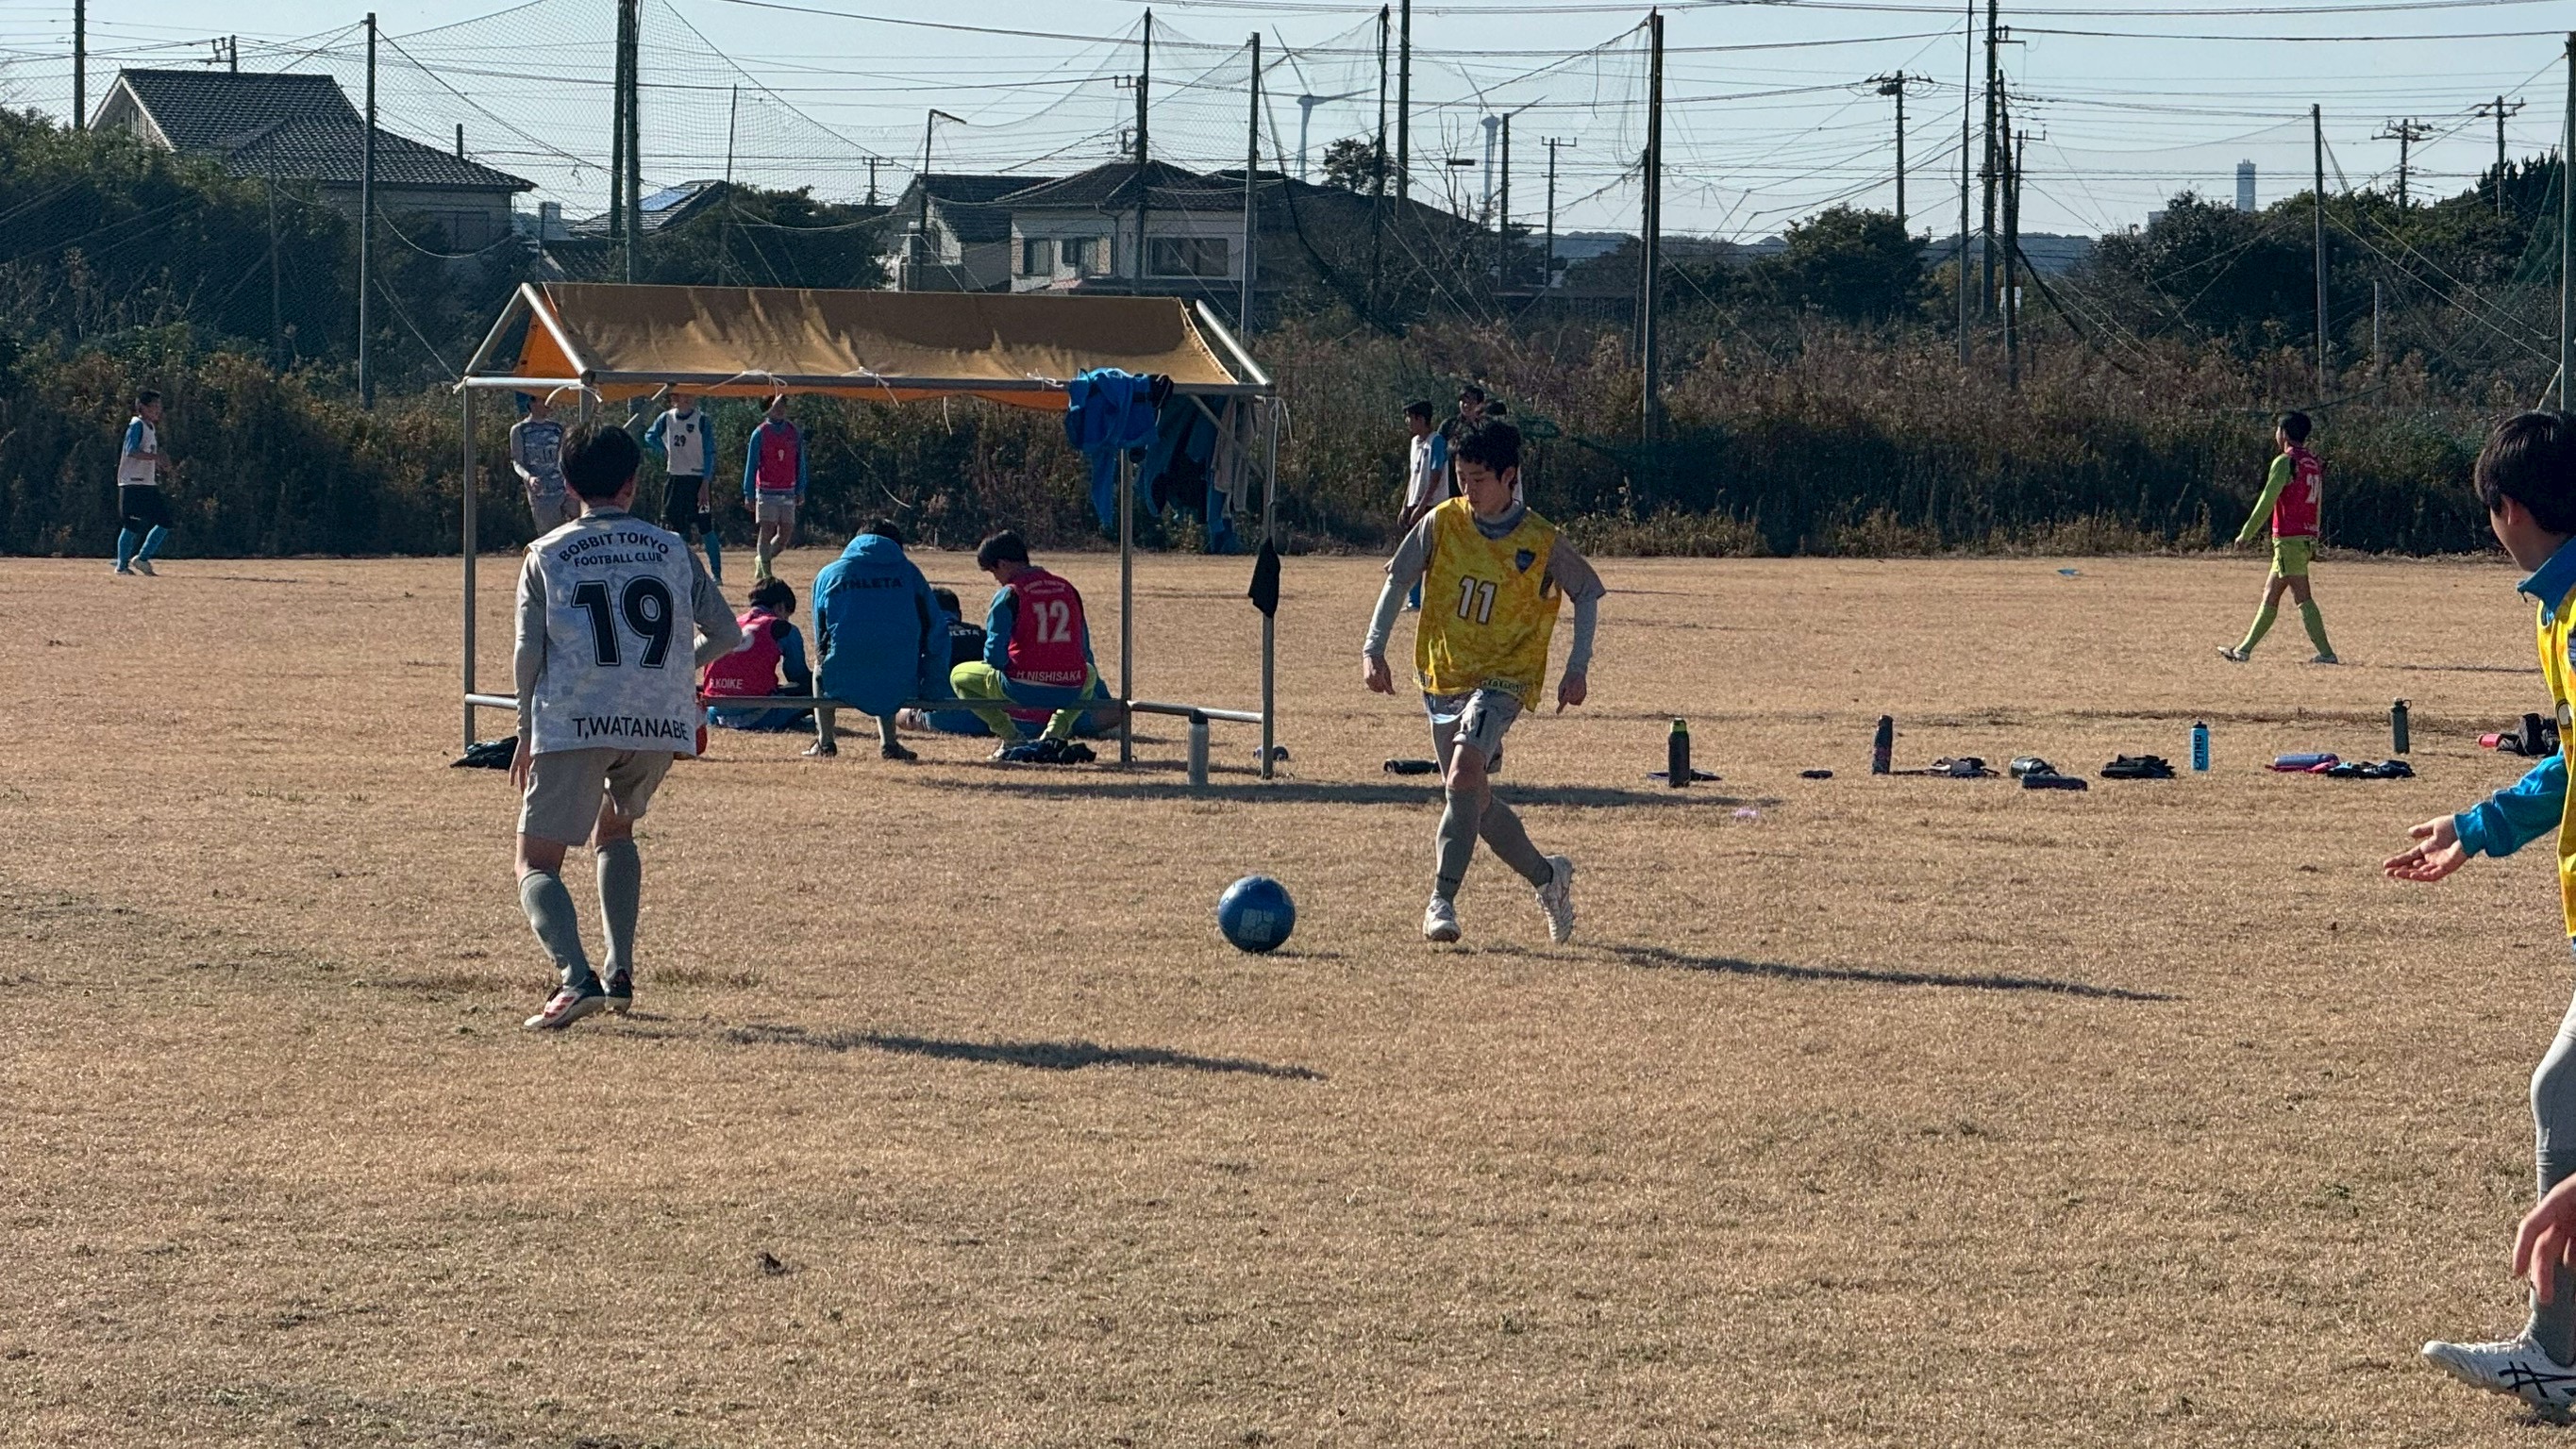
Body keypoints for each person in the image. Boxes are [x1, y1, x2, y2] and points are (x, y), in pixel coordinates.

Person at [2387, 409, 2576, 1411]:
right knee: (2562, 1094)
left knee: (2564, 1097)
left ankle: (2557, 1353)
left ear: (2508, 509)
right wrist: (2478, 824)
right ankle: (2559, 1350)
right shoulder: (2559, 608)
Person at [510, 425, 741, 1031]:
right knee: (616, 832)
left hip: (577, 718)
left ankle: (575, 978)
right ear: (634, 483)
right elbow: (727, 633)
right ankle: (619, 973)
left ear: (567, 483)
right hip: (657, 722)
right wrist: (673, 669)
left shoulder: (547, 552)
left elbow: (528, 652)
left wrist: (525, 727)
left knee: (535, 861)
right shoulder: (671, 547)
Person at [1363, 417, 1602, 946]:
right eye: (1461, 478)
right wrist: (1372, 648)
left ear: (1510, 476)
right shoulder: (1443, 522)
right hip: (1444, 673)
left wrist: (1577, 666)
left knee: (1462, 775)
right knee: (1475, 800)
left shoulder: (1540, 539)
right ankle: (1549, 877)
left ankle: (1440, 902)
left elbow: (1587, 592)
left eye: (1478, 479)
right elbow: (1398, 579)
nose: (1467, 490)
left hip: (1505, 677)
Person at [952, 529, 1112, 757]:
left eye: (993, 571)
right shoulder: (1067, 588)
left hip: (1020, 687)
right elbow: (1082, 648)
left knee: (959, 675)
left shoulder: (1009, 594)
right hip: (1069, 686)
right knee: (1089, 673)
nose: (996, 579)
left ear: (1003, 564)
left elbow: (995, 657)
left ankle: (1010, 736)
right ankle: (1054, 733)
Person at [808, 520, 944, 761]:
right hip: (901, 677)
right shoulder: (909, 573)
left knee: (821, 666)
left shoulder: (828, 574)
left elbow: (820, 636)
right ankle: (889, 743)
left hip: (842, 677)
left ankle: (825, 741)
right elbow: (935, 629)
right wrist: (933, 686)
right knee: (888, 649)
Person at [2220, 410, 2336, 664]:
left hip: (2289, 539)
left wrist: (2246, 533)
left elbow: (2267, 499)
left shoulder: (2286, 462)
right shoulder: (2312, 463)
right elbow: (2317, 503)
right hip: (2303, 537)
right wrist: (2314, 536)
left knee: (2302, 597)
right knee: (2270, 594)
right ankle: (2243, 650)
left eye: (2277, 429)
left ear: (2283, 433)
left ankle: (2327, 654)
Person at [701, 577, 813, 733]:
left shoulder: (731, 624)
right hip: (757, 712)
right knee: (816, 688)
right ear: (781, 607)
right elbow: (797, 674)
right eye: (787, 614)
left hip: (715, 709)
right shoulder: (782, 628)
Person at [644, 391, 723, 584]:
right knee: (674, 526)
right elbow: (649, 436)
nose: (687, 399)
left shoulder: (702, 420)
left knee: (706, 527)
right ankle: (678, 571)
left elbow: (709, 452)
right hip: (676, 479)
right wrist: (664, 450)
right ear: (674, 399)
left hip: (698, 481)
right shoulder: (666, 418)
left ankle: (717, 574)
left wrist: (705, 482)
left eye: (690, 395)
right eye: (682, 395)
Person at [742, 393, 807, 582]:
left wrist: (800, 488)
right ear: (767, 409)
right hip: (766, 491)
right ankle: (766, 573)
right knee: (767, 529)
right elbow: (751, 465)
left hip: (788, 490)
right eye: (775, 406)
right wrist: (748, 493)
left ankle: (762, 558)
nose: (779, 410)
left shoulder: (793, 432)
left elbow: (800, 462)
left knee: (785, 534)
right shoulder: (760, 433)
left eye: (782, 405)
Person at [112, 390, 173, 576]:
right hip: (132, 483)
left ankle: (142, 558)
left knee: (165, 521)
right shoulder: (136, 425)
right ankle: (121, 566)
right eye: (154, 406)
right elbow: (131, 451)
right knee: (131, 525)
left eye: (159, 406)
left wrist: (159, 464)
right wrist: (156, 458)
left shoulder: (150, 427)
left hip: (147, 483)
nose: (158, 410)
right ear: (142, 407)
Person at [1398, 399, 1450, 611]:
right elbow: (1414, 476)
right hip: (1415, 504)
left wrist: (1422, 506)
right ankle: (1414, 600)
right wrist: (1406, 505)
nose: (1407, 422)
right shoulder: (1414, 443)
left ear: (1420, 419)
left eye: (1409, 418)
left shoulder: (1436, 441)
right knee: (1414, 553)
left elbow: (1436, 475)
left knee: (1433, 554)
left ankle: (1434, 600)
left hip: (1432, 505)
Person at [510, 392, 577, 535]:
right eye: (544, 400)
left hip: (564, 488)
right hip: (542, 494)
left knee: (578, 526)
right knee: (550, 535)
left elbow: (564, 456)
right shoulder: (520, 430)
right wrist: (529, 478)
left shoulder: (557, 428)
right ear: (532, 402)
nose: (549, 404)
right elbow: (517, 462)